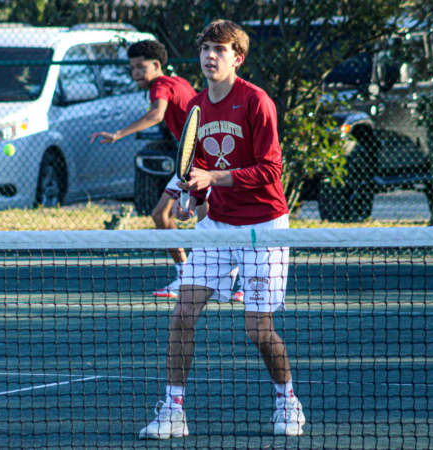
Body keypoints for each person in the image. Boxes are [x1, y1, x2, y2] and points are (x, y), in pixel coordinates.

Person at [138, 20, 305, 439]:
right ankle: (173, 410)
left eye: (220, 49)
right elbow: (197, 165)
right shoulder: (196, 107)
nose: (210, 56)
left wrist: (214, 180)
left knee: (258, 330)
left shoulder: (256, 101)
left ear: (238, 58)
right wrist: (192, 198)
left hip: (264, 227)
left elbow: (270, 169)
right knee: (182, 315)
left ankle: (287, 400)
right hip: (217, 227)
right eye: (205, 49)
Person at [89, 40, 234, 300]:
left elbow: (157, 114)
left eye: (140, 67)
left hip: (203, 164)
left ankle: (226, 277)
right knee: (161, 214)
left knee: (207, 221)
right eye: (132, 68)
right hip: (190, 162)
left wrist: (117, 134)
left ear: (156, 65)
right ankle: (187, 275)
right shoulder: (180, 82)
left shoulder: (160, 85)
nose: (135, 73)